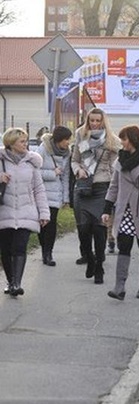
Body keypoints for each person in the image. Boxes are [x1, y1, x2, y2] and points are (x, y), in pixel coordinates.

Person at [102, 125, 139, 300]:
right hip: (124, 209)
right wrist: (107, 208)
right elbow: (114, 186)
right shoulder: (121, 159)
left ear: (133, 139)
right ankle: (119, 287)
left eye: (124, 139)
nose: (122, 142)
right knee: (124, 245)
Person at [70, 108, 121, 284]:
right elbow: (75, 160)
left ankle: (99, 265)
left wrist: (115, 190)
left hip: (102, 187)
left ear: (103, 121)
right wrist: (78, 170)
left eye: (97, 120)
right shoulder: (81, 136)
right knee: (83, 229)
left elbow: (116, 167)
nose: (94, 123)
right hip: (83, 187)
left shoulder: (112, 140)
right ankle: (89, 259)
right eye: (91, 120)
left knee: (99, 229)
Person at [1, 128, 50, 296]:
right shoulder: (1, 161)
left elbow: (39, 189)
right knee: (6, 249)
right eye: (22, 141)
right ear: (11, 143)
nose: (26, 144)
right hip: (4, 212)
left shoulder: (32, 162)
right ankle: (10, 280)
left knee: (20, 247)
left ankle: (16, 283)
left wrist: (44, 213)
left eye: (26, 141)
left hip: (26, 211)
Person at [35, 125, 72, 266]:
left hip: (56, 194)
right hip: (42, 193)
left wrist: (66, 198)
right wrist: (52, 173)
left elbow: (66, 175)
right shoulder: (43, 149)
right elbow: (35, 171)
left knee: (51, 225)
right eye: (66, 139)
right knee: (43, 224)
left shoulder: (66, 153)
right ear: (59, 139)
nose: (68, 142)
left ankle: (48, 253)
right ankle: (44, 250)